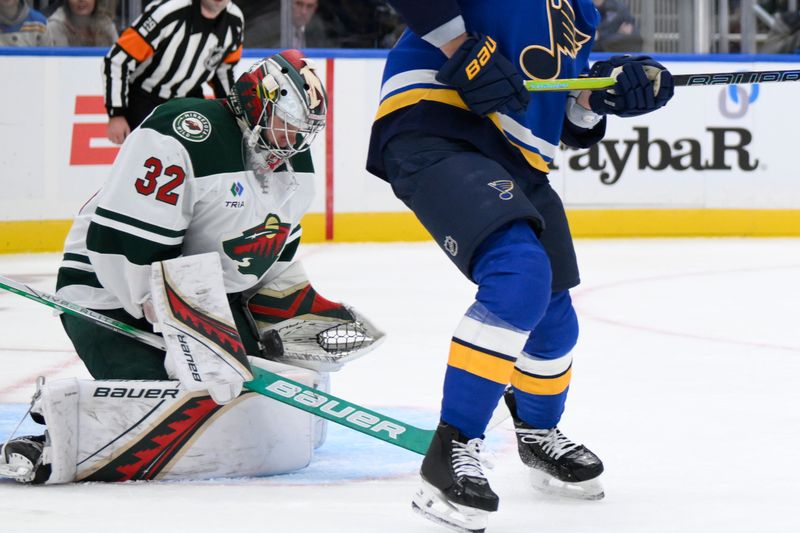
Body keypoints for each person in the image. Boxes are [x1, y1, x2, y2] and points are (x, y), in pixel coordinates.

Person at [0, 49, 381, 485]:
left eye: (304, 130)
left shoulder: (294, 167)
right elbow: (120, 247)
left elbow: (268, 264)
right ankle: (51, 435)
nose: (294, 139)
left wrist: (294, 312)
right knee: (178, 403)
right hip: (107, 293)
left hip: (203, 298)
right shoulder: (184, 132)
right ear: (258, 100)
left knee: (257, 397)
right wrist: (185, 330)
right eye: (288, 123)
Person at [366, 1, 674, 531]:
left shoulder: (583, 14)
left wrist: (603, 93)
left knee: (555, 322)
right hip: (437, 124)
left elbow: (568, 124)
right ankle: (452, 448)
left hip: (518, 160)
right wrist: (461, 47)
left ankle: (536, 434)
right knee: (519, 277)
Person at [104, 0, 244, 145]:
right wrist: (116, 114)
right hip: (144, 99)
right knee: (148, 160)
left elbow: (223, 71)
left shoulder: (235, 20)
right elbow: (118, 60)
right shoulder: (168, 12)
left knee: (197, 158)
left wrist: (235, 116)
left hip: (189, 100)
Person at [242, 0, 330, 49]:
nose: (304, 12)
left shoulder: (317, 28)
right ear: (288, 4)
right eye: (299, 4)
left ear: (315, 8)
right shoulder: (264, 27)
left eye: (309, 6)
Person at [45, 0, 118, 47]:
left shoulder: (105, 23)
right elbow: (60, 63)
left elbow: (118, 58)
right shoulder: (56, 26)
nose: (81, 0)